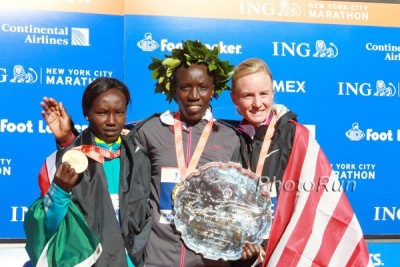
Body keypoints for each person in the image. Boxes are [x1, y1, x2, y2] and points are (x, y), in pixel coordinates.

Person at [230, 58, 372, 266]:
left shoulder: (296, 136)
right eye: (248, 95)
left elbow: (318, 200)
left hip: (283, 247)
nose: (257, 103)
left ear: (273, 92)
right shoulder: (229, 137)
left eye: (264, 93)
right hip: (242, 254)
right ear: (234, 98)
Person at [24, 77, 152, 267]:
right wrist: (60, 190)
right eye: (102, 113)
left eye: (119, 113)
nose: (111, 121)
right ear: (87, 113)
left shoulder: (140, 157)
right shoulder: (64, 160)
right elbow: (48, 227)